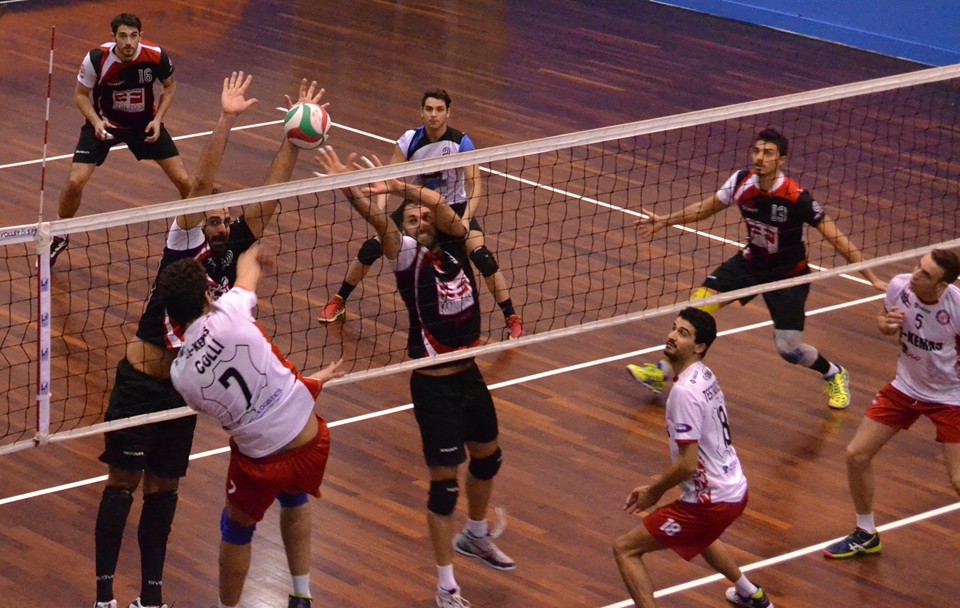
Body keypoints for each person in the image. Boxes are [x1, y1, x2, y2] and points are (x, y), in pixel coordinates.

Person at [91, 72, 326, 608]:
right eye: (213, 221)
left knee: (164, 491)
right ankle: (104, 598)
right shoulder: (183, 244)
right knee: (122, 484)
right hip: (140, 383)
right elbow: (199, 186)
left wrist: (293, 140)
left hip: (181, 391)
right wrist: (225, 119)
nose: (220, 226)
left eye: (225, 221)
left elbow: (268, 198)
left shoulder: (234, 247)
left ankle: (151, 598)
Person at [316, 147, 515, 608]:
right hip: (434, 386)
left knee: (488, 458)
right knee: (444, 488)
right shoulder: (407, 258)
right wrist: (351, 187)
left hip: (469, 375)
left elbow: (440, 205)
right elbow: (378, 221)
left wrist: (398, 187)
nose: (420, 222)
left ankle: (476, 535)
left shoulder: (455, 244)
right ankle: (446, 587)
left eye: (423, 218)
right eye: (411, 220)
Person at [629, 128, 886, 409]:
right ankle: (661, 373)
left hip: (788, 276)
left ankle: (833, 373)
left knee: (789, 349)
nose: (760, 158)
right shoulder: (741, 181)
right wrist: (665, 220)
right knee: (695, 310)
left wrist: (872, 277)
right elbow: (704, 209)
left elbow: (837, 239)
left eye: (768, 153)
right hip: (750, 263)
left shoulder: (796, 197)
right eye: (757, 151)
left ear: (781, 160)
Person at [160, 244, 345, 608]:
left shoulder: (181, 376)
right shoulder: (230, 310)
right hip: (310, 442)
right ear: (206, 294)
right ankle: (302, 595)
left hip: (262, 463)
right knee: (294, 492)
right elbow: (248, 268)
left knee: (236, 527)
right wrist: (255, 254)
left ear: (172, 315)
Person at [317, 88, 527, 340]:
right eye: (429, 109)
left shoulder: (461, 142)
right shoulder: (409, 140)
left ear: (448, 113)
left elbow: (475, 185)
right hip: (416, 206)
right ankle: (339, 300)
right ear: (422, 112)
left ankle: (512, 318)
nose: (433, 115)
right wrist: (380, 215)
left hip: (453, 208)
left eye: (439, 110)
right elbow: (388, 180)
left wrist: (465, 218)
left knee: (482, 257)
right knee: (372, 247)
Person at [613, 307, 774, 608]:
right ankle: (750, 593)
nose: (672, 336)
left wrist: (653, 491)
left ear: (699, 346)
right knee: (702, 536)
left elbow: (687, 465)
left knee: (625, 549)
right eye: (674, 328)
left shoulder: (683, 393)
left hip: (712, 502)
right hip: (734, 487)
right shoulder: (704, 375)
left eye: (683, 333)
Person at [824, 249, 960, 559]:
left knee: (958, 480)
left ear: (942, 286)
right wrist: (885, 324)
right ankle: (866, 534)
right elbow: (883, 322)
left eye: (926, 274)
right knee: (856, 454)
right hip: (905, 388)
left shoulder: (957, 309)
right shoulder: (899, 286)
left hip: (952, 398)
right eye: (918, 266)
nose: (915, 275)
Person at [52, 13, 193, 266]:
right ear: (114, 37)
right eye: (123, 36)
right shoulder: (96, 59)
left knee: (185, 181)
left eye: (133, 36)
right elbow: (81, 95)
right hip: (105, 124)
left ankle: (192, 236)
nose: (129, 42)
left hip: (144, 125)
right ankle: (60, 234)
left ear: (140, 35)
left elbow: (170, 86)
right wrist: (96, 121)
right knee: (75, 181)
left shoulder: (155, 56)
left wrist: (158, 119)